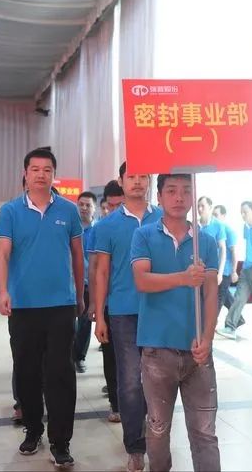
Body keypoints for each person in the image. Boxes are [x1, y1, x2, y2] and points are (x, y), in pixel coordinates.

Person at [0, 148, 84, 467]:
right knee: (27, 371)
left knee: (61, 374)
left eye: (47, 170)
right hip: (24, 306)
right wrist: (3, 291)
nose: (41, 175)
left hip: (61, 305)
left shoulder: (68, 210)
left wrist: (79, 295)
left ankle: (61, 442)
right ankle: (33, 429)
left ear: (54, 175)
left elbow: (77, 255)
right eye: (35, 169)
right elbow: (3, 254)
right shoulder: (10, 211)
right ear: (25, 174)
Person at [131, 174, 221, 472]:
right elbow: (142, 280)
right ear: (159, 197)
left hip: (198, 352)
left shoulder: (206, 242)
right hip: (157, 349)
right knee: (158, 430)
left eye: (186, 191)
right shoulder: (144, 236)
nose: (179, 197)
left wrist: (207, 338)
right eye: (171, 191)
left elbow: (211, 294)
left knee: (205, 432)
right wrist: (183, 278)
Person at [94, 162, 162, 472]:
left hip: (160, 309)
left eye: (142, 176)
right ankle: (135, 447)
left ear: (149, 181)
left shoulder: (164, 218)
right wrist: (100, 315)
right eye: (131, 176)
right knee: (131, 381)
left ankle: (157, 436)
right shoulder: (107, 225)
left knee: (159, 379)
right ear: (121, 181)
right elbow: (102, 272)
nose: (137, 182)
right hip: (123, 312)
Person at [88, 180, 125, 423]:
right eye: (110, 206)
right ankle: (116, 403)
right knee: (111, 355)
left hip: (135, 302)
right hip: (110, 303)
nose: (113, 210)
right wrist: (95, 304)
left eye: (118, 205)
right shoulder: (101, 228)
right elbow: (94, 269)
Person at [217, 201, 252, 340]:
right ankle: (230, 327)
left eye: (245, 212)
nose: (243, 215)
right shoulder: (246, 227)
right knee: (239, 297)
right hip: (247, 268)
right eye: (241, 212)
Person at [73, 191, 97, 374]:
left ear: (94, 208)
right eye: (81, 204)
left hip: (90, 284)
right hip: (69, 283)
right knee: (66, 323)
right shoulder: (71, 228)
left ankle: (79, 357)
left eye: (88, 205)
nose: (84, 208)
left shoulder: (99, 230)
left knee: (85, 322)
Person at [212, 205, 243, 326]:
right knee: (226, 297)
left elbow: (234, 252)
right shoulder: (216, 229)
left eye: (216, 215)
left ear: (223, 216)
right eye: (213, 215)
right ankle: (239, 319)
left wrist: (234, 271)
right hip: (217, 268)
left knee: (219, 298)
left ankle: (211, 323)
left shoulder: (229, 231)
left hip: (226, 270)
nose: (214, 218)